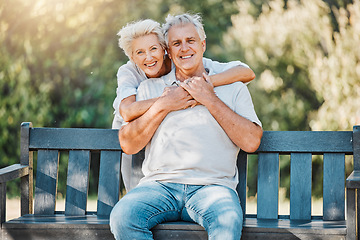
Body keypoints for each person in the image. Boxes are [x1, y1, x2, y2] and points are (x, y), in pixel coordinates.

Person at [110, 13, 263, 240]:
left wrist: (209, 98)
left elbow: (252, 141)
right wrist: (164, 105)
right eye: (176, 44)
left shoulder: (233, 87)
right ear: (168, 52)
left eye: (190, 41)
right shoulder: (149, 88)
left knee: (227, 223)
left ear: (203, 45)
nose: (184, 48)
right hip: (159, 187)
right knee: (123, 218)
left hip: (213, 188)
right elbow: (128, 144)